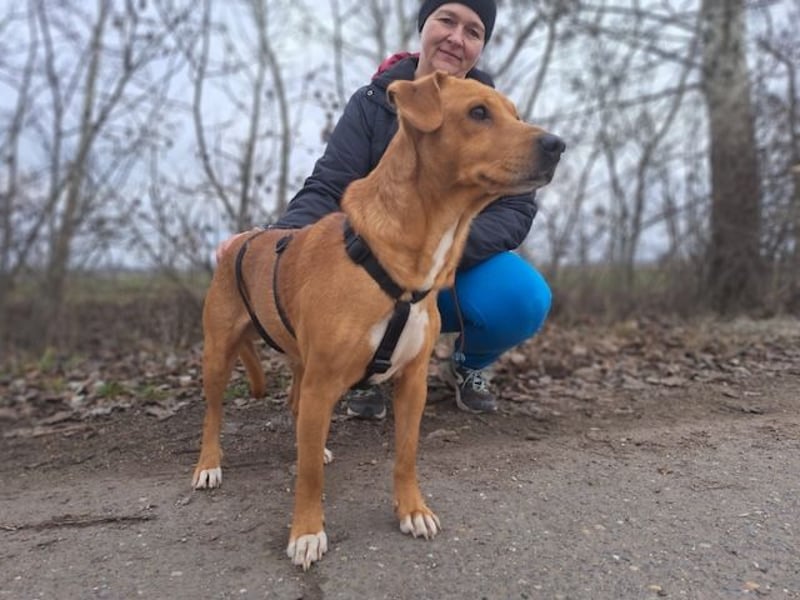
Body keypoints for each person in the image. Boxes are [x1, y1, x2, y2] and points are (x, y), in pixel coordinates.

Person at [223, 0, 552, 419]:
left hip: (453, 270)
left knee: (521, 297)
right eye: (446, 21)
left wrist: (438, 251)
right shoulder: (371, 103)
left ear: (480, 48)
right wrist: (275, 240)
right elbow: (327, 185)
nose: (456, 37)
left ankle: (467, 366)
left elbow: (516, 211)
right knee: (344, 285)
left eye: (473, 31)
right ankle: (365, 372)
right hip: (372, 271)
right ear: (424, 27)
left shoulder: (499, 111)